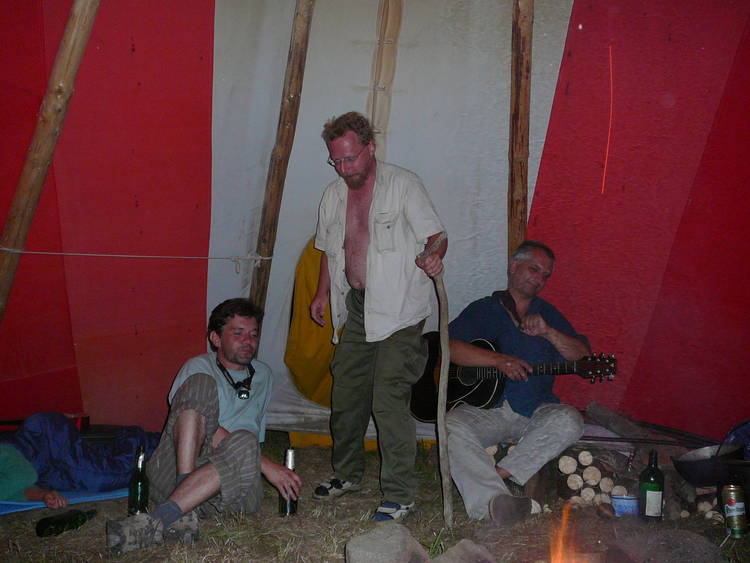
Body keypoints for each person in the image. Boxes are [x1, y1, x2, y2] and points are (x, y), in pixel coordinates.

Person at [310, 112, 447, 522]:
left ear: (370, 148)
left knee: (387, 397)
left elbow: (436, 235)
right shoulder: (333, 195)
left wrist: (434, 255)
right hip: (356, 307)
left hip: (400, 310)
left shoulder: (403, 184)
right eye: (336, 160)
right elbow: (328, 249)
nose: (344, 168)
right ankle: (347, 473)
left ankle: (400, 494)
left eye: (350, 158)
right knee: (346, 392)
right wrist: (321, 293)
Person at [106, 298, 302, 554]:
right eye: (238, 333)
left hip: (231, 489)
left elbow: (254, 435)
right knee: (201, 384)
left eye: (253, 334)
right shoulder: (198, 367)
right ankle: (183, 496)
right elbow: (187, 421)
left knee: (245, 439)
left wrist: (252, 458)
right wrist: (266, 465)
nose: (248, 341)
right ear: (215, 338)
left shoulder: (264, 375)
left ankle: (164, 518)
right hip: (180, 467)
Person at [445, 240, 589, 524]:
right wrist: (499, 361)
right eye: (534, 269)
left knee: (570, 419)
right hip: (489, 410)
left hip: (535, 410)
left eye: (545, 275)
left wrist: (548, 332)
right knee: (450, 424)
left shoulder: (549, 314)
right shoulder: (484, 309)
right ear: (513, 266)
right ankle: (492, 504)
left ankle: (499, 476)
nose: (539, 279)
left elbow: (583, 357)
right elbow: (449, 347)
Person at [0, 412, 159, 508]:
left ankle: (147, 441)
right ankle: (132, 446)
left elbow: (24, 475)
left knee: (101, 478)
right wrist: (43, 495)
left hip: (47, 438)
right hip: (45, 471)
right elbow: (21, 489)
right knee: (93, 471)